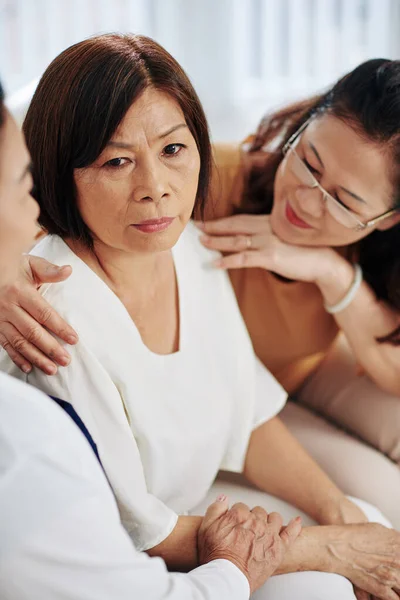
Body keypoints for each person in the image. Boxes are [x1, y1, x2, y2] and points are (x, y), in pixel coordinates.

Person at [0, 34, 398, 600]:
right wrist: (336, 546)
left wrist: (342, 515)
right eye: (117, 161)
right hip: (132, 560)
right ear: (61, 171)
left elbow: (247, 411)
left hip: (197, 509)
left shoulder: (189, 244)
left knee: (370, 519)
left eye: (172, 150)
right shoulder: (53, 316)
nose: (156, 189)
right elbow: (139, 529)